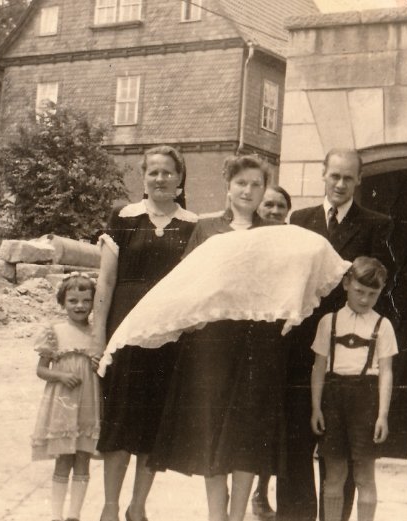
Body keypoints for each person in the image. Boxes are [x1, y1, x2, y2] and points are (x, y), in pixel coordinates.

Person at [148, 155, 283, 521]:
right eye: (241, 183)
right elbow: (187, 280)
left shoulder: (273, 232)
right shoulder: (206, 228)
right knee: (212, 428)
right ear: (228, 186)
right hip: (212, 343)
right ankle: (216, 516)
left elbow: (281, 284)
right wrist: (190, 319)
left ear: (264, 190)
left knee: (246, 432)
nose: (248, 191)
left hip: (256, 341)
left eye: (256, 184)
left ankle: (236, 517)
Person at [278, 148, 394, 521]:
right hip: (303, 348)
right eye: (335, 176)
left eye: (348, 177)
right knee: (297, 442)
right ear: (323, 174)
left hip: (349, 353)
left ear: (359, 180)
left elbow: (378, 288)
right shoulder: (300, 220)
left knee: (340, 452)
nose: (340, 184)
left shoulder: (376, 224)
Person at [93, 145, 198, 521]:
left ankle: (137, 507)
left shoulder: (192, 225)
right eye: (153, 172)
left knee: (154, 425)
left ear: (180, 178)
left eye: (168, 172)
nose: (160, 178)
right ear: (143, 177)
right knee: (119, 421)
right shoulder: (123, 217)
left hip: (168, 338)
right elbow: (106, 281)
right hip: (125, 333)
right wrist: (98, 335)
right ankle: (109, 506)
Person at [310, 257, 397, 521]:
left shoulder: (383, 325)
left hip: (366, 403)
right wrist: (316, 408)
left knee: (364, 476)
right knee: (335, 475)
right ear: (346, 284)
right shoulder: (329, 322)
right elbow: (318, 367)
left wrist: (382, 415)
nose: (364, 299)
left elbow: (386, 372)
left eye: (372, 294)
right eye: (359, 291)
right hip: (333, 403)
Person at [31, 273, 100, 521]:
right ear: (63, 302)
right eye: (73, 301)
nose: (80, 306)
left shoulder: (98, 334)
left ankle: (74, 516)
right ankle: (56, 515)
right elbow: (41, 370)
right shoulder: (55, 332)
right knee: (63, 460)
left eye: (86, 300)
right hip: (63, 404)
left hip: (88, 404)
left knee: (83, 458)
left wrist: (99, 364)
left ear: (94, 302)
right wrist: (60, 375)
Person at [251, 184, 293, 519]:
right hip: (245, 335)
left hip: (280, 336)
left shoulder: (293, 244)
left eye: (281, 206)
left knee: (271, 420)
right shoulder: (246, 238)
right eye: (269, 205)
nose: (275, 211)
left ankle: (261, 490)